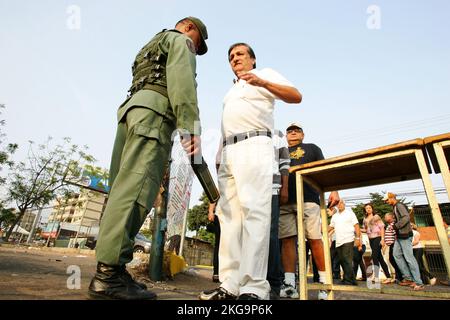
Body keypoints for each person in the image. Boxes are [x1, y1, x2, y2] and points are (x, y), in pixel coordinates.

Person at [88, 17, 209, 300]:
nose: (195, 46)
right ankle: (107, 277)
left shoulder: (150, 44)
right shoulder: (181, 41)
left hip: (131, 113)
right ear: (190, 28)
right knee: (135, 192)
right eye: (198, 42)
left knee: (120, 189)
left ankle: (113, 270)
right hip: (153, 116)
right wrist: (190, 128)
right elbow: (181, 81)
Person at [200, 42, 302, 301]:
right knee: (230, 218)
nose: (235, 58)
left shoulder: (265, 74)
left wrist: (263, 83)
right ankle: (230, 283)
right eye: (231, 56)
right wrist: (220, 155)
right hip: (230, 152)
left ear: (253, 60)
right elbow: (227, 126)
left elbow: (295, 96)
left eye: (241, 54)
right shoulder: (230, 91)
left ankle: (254, 287)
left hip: (256, 144)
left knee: (255, 213)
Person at [278, 123, 340, 300]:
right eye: (290, 131)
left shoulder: (312, 148)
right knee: (287, 241)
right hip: (285, 201)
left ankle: (323, 283)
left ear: (303, 135)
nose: (293, 133)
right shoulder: (279, 152)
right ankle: (289, 284)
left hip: (308, 198)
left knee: (314, 239)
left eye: (297, 130)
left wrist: (334, 189)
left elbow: (324, 168)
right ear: (286, 136)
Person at [266, 129, 290, 299]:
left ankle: (274, 282)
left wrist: (285, 187)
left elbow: (284, 163)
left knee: (271, 234)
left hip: (272, 187)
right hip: (249, 188)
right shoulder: (246, 129)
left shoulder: (278, 134)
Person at [384, 192, 424, 291]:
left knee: (409, 258)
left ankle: (419, 282)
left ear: (392, 197)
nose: (386, 202)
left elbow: (406, 217)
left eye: (387, 200)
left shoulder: (399, 205)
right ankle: (408, 278)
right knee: (396, 255)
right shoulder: (394, 207)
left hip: (405, 235)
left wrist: (395, 226)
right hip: (399, 236)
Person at [328, 200, 361, 285]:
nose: (339, 205)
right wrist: (321, 229)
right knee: (342, 261)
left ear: (344, 204)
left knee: (347, 260)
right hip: (338, 241)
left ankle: (350, 280)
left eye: (341, 203)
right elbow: (330, 227)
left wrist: (357, 238)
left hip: (348, 239)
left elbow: (356, 225)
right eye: (338, 204)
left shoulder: (350, 213)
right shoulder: (335, 216)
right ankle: (349, 279)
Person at [361, 203, 392, 283]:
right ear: (365, 210)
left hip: (377, 238)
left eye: (370, 208)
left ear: (372, 209)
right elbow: (365, 230)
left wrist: (382, 239)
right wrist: (356, 229)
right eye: (367, 208)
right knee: (380, 258)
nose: (368, 209)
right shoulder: (365, 219)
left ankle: (376, 277)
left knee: (374, 256)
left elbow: (382, 228)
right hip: (370, 239)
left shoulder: (376, 217)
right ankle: (388, 277)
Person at [383, 212, 403, 283]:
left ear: (390, 217)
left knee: (394, 260)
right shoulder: (388, 225)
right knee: (392, 260)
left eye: (386, 216)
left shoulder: (394, 224)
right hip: (390, 245)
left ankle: (399, 277)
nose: (385, 218)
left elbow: (396, 235)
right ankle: (398, 276)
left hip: (394, 245)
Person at [208, 202, 221, 283]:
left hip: (237, 216)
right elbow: (214, 196)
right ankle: (216, 273)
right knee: (219, 245)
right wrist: (211, 211)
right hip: (221, 216)